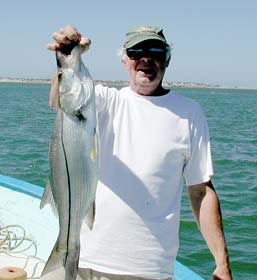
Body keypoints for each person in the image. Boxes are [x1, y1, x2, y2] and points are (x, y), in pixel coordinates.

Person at [47, 25, 232, 280]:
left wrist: (221, 262)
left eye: (155, 50)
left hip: (146, 271)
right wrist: (68, 58)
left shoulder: (189, 113)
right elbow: (60, 100)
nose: (146, 58)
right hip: (84, 259)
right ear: (125, 61)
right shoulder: (102, 101)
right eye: (136, 51)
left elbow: (201, 191)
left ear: (167, 59)